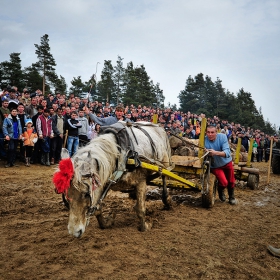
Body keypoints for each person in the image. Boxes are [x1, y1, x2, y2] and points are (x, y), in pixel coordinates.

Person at [204, 125, 237, 205]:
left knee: (231, 180)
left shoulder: (222, 137)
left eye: (212, 132)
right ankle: (220, 189)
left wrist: (215, 153)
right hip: (215, 166)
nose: (210, 134)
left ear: (216, 132)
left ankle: (231, 197)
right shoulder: (204, 140)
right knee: (224, 182)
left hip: (226, 162)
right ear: (206, 133)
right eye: (208, 132)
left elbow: (227, 153)